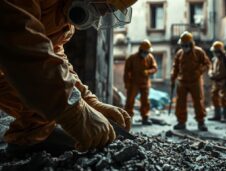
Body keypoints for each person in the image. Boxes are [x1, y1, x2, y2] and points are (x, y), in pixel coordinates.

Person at [0, 0, 136, 154]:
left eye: (110, 10)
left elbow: (54, 57)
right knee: (47, 99)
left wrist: (88, 101)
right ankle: (29, 147)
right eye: (105, 6)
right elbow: (20, 41)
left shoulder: (63, 15)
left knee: (46, 101)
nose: (103, 14)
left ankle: (32, 139)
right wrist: (75, 111)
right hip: (9, 62)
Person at [171, 31, 211, 131]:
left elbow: (207, 64)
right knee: (180, 102)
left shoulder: (199, 52)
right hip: (182, 81)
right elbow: (175, 67)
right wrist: (173, 78)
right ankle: (181, 122)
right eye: (182, 45)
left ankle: (201, 122)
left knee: (198, 101)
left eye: (185, 45)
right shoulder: (179, 53)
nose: (184, 47)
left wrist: (199, 71)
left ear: (190, 44)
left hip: (195, 81)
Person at [124, 39, 158, 125]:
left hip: (145, 83)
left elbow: (155, 68)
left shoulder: (150, 57)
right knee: (130, 101)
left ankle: (145, 117)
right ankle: (128, 118)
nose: (146, 53)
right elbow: (127, 71)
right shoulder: (132, 58)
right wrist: (127, 83)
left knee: (145, 101)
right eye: (145, 51)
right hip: (134, 83)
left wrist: (148, 72)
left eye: (147, 51)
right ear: (141, 50)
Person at [208, 41, 226, 123]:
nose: (216, 53)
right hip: (216, 81)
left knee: (224, 98)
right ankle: (217, 115)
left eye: (217, 51)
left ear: (220, 51)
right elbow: (211, 69)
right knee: (214, 97)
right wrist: (211, 74)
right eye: (215, 51)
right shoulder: (214, 60)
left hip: (224, 81)